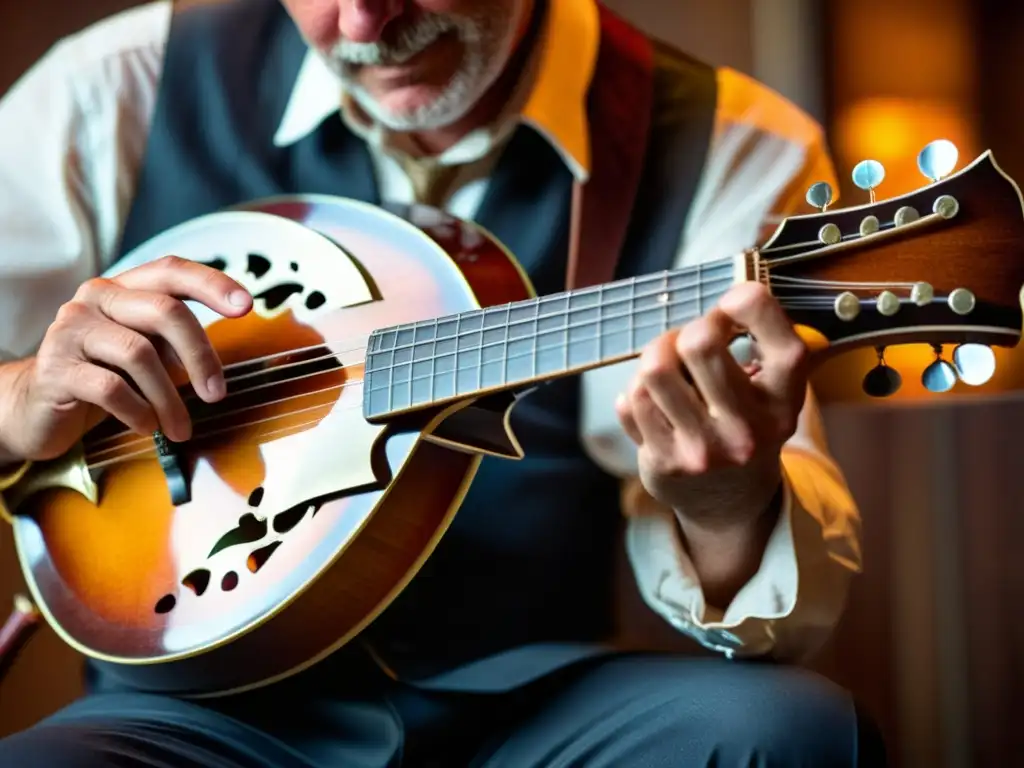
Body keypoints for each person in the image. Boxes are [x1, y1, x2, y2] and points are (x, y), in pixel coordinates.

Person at [0, 0, 881, 765]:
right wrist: (21, 395)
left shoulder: (725, 144)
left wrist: (727, 506)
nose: (360, 24)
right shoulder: (123, 85)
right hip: (190, 721)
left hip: (531, 708)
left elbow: (777, 611)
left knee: (789, 734)